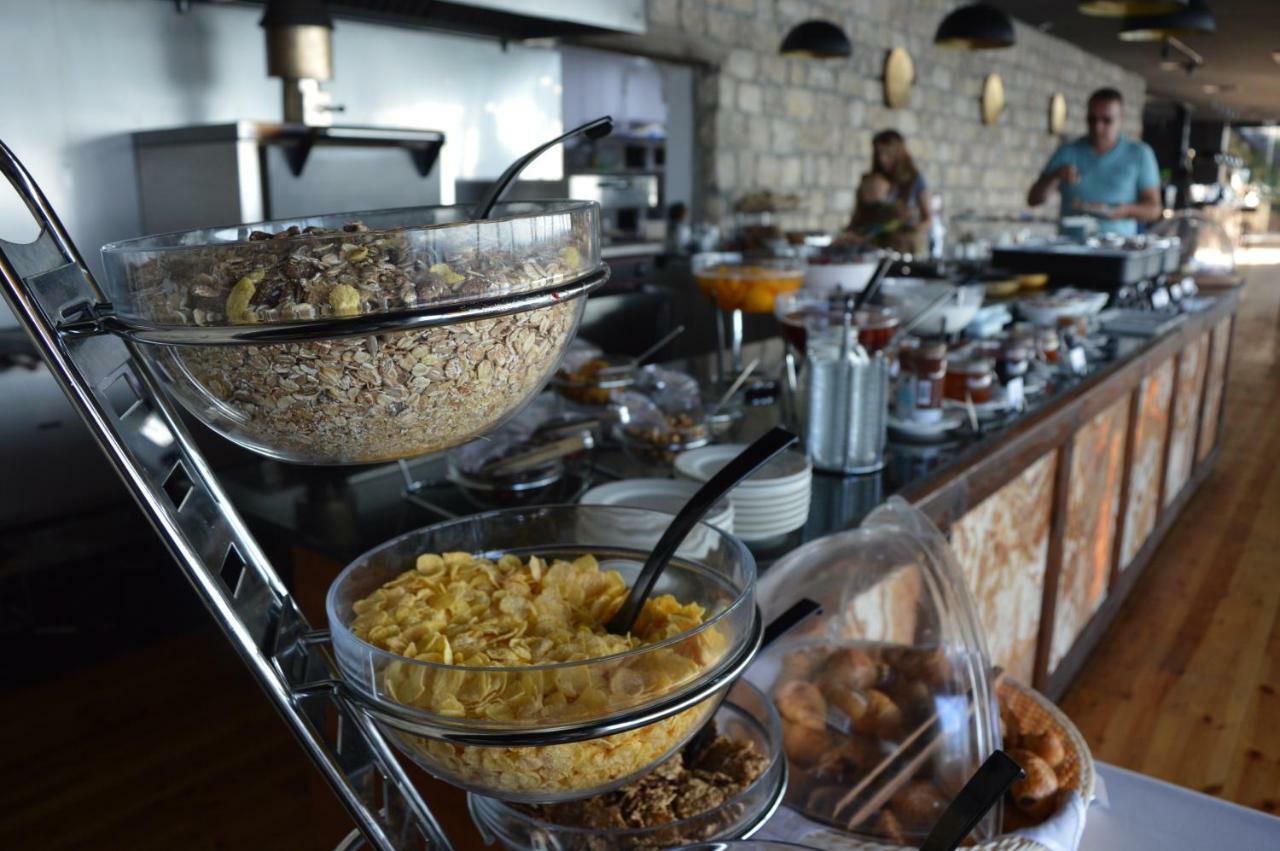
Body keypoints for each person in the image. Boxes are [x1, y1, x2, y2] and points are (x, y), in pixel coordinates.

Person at [1027, 87, 1162, 236]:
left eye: (1107, 120)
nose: (1098, 127)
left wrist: (1126, 210)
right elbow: (1033, 200)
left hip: (1117, 245)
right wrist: (1055, 175)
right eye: (1092, 120)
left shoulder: (1139, 154)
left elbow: (1154, 210)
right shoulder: (1068, 151)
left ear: (1120, 118)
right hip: (1071, 245)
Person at [844, 129, 931, 253]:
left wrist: (910, 229)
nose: (882, 159)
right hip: (873, 245)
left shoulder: (914, 179)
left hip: (903, 246)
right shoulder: (872, 180)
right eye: (879, 153)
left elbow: (927, 219)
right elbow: (859, 216)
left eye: (887, 153)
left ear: (898, 153)